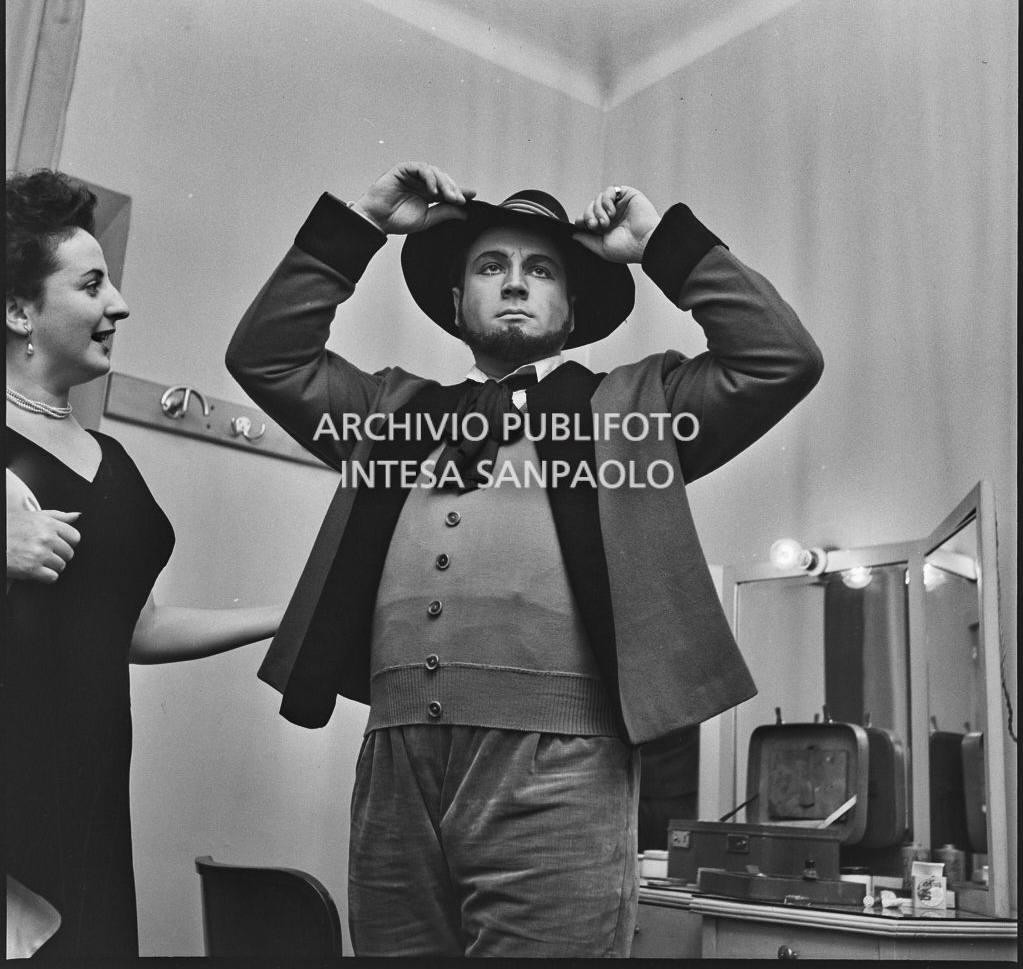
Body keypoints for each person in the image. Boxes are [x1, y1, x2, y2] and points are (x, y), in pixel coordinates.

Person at [227, 161, 823, 957]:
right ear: (454, 302)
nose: (514, 284)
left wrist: (660, 245)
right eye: (490, 267)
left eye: (540, 270)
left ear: (571, 306)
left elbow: (778, 358)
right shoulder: (389, 411)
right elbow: (268, 358)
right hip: (395, 765)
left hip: (560, 771)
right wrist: (361, 224)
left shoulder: (638, 404)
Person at [5, 169, 285, 960]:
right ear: (20, 309)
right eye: (92, 284)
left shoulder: (115, 460)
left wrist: (287, 614)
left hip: (90, 790)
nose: (118, 305)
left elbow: (136, 626)